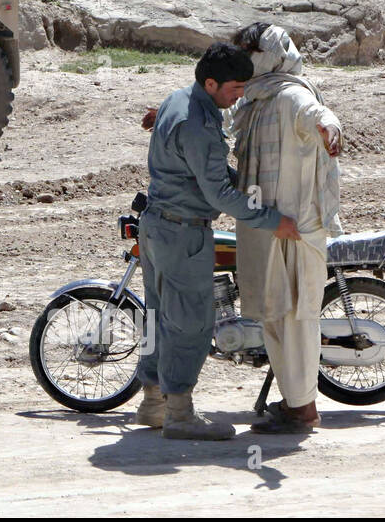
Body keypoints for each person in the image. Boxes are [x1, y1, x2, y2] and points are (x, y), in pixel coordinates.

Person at [136, 42, 301, 440]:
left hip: (157, 226)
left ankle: (153, 402)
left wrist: (237, 179)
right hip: (185, 233)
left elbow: (202, 171)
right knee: (191, 321)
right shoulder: (199, 125)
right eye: (234, 88)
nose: (239, 95)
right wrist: (270, 219)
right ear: (210, 83)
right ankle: (179, 415)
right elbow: (218, 196)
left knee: (159, 316)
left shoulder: (179, 100)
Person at [230, 24, 342, 433]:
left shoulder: (291, 94)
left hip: (295, 225)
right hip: (269, 224)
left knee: (296, 316)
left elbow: (318, 115)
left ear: (271, 53)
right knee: (277, 315)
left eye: (250, 52)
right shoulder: (257, 97)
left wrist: (330, 129)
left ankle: (303, 410)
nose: (246, 60)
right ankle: (295, 403)